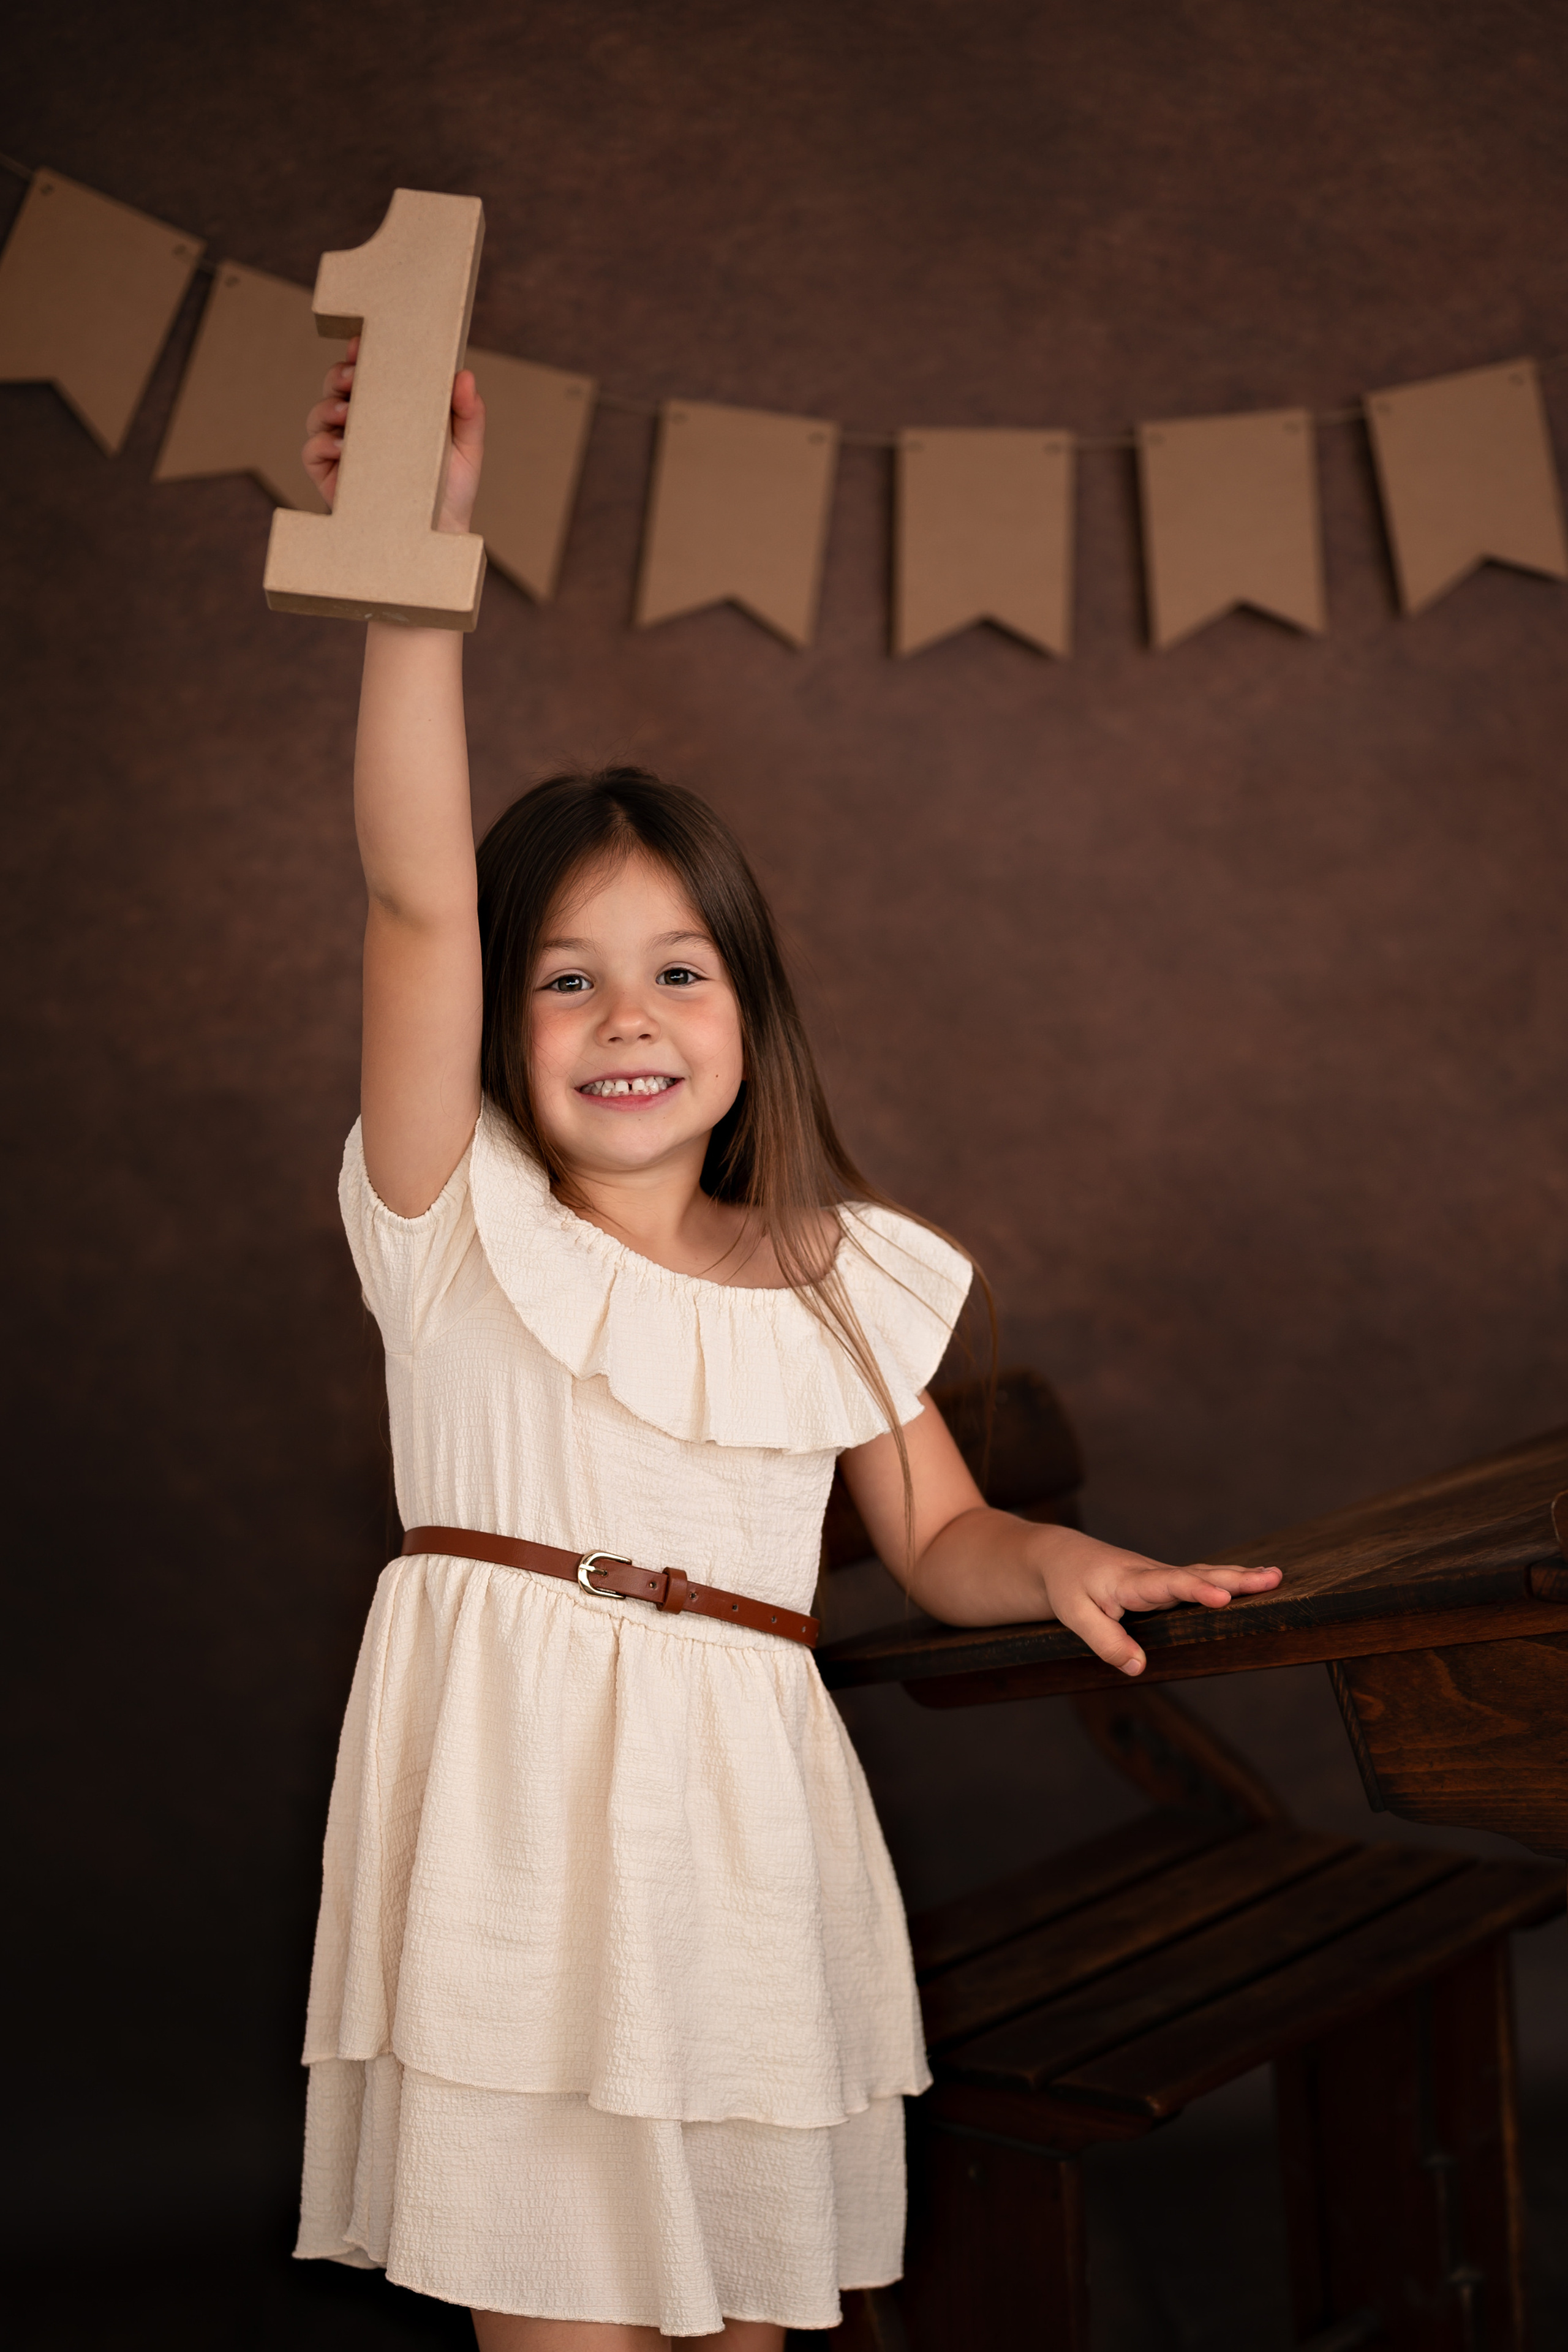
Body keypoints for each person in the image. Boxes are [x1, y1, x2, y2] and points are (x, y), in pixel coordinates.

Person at [292, 348, 1281, 2351]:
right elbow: (413, 892)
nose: (624, 1014)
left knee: (752, 2325)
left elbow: (942, 1539)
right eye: (563, 977)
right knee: (563, 2314)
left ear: (751, 1017)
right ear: (498, 1025)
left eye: (678, 971)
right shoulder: (450, 1220)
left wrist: (1073, 1565)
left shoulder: (836, 1274)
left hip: (743, 1849)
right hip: (512, 1847)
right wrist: (422, 574)